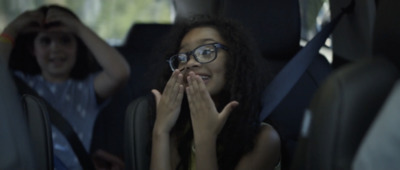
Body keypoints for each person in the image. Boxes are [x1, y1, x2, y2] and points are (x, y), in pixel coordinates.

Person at [0, 5, 130, 169]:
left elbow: (120, 73)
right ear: (32, 49)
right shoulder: (18, 83)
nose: (56, 48)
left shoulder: (86, 89)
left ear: (78, 47)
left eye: (65, 40)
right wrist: (12, 29)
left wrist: (78, 28)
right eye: (46, 41)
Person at [147, 16, 281, 170]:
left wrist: (205, 138)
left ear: (234, 60)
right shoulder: (180, 130)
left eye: (206, 51)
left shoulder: (264, 139)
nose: (190, 63)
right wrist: (161, 130)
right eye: (183, 57)